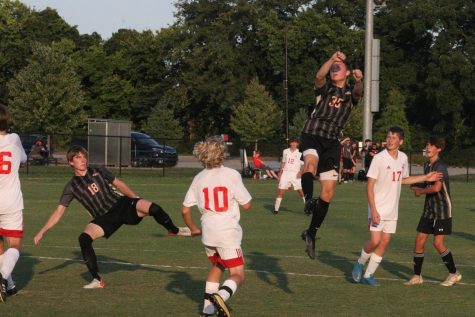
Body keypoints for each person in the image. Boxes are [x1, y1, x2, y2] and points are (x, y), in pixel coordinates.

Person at [33, 145, 191, 289]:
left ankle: (174, 230)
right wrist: (42, 231)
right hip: (104, 218)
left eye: (84, 156)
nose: (83, 160)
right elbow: (58, 212)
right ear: (71, 163)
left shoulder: (98, 170)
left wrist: (134, 198)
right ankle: (97, 280)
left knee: (154, 208)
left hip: (121, 204)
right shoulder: (71, 186)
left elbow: (119, 184)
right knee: (84, 239)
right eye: (78, 158)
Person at [351, 127, 442, 286]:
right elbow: (369, 186)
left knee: (384, 243)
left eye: (394, 138)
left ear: (400, 141)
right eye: (388, 137)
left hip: (393, 210)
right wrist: (373, 209)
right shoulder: (379, 158)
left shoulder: (403, 158)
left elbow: (403, 179)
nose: (390, 140)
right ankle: (359, 262)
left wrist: (426, 177)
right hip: (377, 207)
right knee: (375, 241)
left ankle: (368, 275)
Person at [300, 51, 363, 259]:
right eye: (333, 68)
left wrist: (359, 79)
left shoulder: (350, 92)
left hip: (332, 140)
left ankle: (311, 233)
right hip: (313, 133)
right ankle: (308, 199)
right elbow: (319, 76)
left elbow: (358, 93)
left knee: (328, 193)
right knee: (309, 165)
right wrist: (332, 59)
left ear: (346, 72)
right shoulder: (326, 86)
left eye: (338, 67)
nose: (335, 70)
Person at [182, 136, 252, 317]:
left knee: (218, 266)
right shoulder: (231, 174)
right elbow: (247, 204)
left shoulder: (198, 178)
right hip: (227, 232)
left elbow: (185, 210)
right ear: (222, 154)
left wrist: (193, 228)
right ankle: (219, 297)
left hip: (208, 232)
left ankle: (207, 310)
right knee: (238, 275)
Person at [405, 136, 461, 287]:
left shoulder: (440, 166)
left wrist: (421, 191)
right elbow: (424, 182)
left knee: (438, 243)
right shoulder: (426, 165)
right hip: (429, 209)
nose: (428, 148)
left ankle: (454, 273)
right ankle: (417, 276)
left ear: (439, 149)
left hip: (442, 209)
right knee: (419, 241)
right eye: (427, 145)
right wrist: (413, 185)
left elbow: (436, 188)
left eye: (431, 145)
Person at [0, 104, 27, 302]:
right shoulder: (15, 138)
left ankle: (9, 284)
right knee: (14, 246)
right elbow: (24, 158)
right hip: (11, 201)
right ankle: (3, 279)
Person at [273, 138, 305, 214]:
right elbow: (283, 162)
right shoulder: (285, 151)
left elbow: (304, 164)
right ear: (290, 143)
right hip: (285, 174)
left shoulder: (300, 152)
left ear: (297, 144)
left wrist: (300, 172)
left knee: (301, 192)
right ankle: (276, 210)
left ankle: (308, 208)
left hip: (296, 174)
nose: (294, 144)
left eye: (295, 143)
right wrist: (280, 173)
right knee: (281, 191)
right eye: (292, 142)